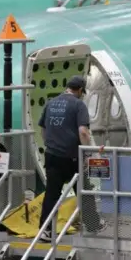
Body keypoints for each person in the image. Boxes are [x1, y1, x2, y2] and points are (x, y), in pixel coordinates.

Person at [37, 75, 106, 242]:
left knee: (52, 194)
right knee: (84, 190)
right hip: (71, 158)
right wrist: (87, 152)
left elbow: (43, 129)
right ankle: (92, 224)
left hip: (52, 155)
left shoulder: (51, 103)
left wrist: (49, 144)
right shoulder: (78, 105)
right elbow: (83, 132)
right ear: (81, 90)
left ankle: (46, 231)